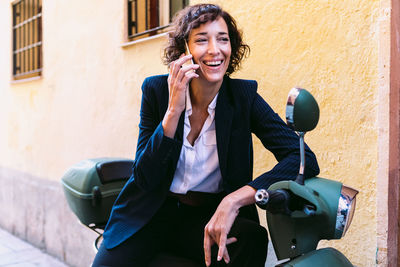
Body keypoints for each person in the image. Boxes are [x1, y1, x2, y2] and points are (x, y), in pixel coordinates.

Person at [92, 3, 319, 267]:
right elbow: (144, 177)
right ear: (183, 51)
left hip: (207, 216)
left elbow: (303, 158)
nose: (214, 50)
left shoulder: (243, 98)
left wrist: (235, 199)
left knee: (252, 238)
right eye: (202, 40)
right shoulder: (156, 91)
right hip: (149, 214)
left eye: (223, 40)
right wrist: (173, 111)